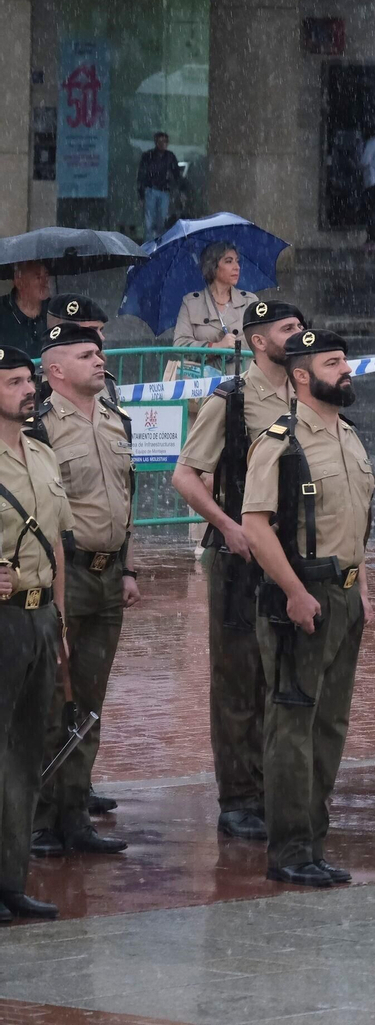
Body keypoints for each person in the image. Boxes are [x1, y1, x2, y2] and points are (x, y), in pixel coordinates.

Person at [241, 329, 373, 887]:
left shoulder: (350, 437)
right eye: (333, 362)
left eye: (345, 361)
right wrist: (295, 591)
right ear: (301, 375)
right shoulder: (281, 442)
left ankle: (313, 840)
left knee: (330, 724)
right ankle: (290, 850)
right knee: (292, 724)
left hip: (345, 596)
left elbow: (356, 525)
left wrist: (362, 587)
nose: (346, 370)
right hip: (301, 598)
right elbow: (255, 525)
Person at [170, 300, 305, 840]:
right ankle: (239, 798)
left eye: (300, 326)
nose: (299, 334)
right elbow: (186, 475)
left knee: (284, 673)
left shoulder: (306, 391)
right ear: (257, 341)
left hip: (292, 553)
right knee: (238, 680)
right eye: (287, 328)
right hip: (240, 560)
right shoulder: (232, 400)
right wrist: (228, 526)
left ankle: (277, 786)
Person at [27, 325, 138, 858]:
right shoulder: (38, 429)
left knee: (89, 701)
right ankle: (40, 819)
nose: (100, 360)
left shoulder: (117, 420)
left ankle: (75, 814)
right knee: (53, 696)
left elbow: (127, 496)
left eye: (99, 352)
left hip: (109, 574)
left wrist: (130, 567)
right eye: (86, 354)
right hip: (62, 574)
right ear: (55, 370)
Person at [0, 343, 67, 924]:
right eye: (14, 382)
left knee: (25, 755)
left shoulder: (41, 453)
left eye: (29, 379)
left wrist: (60, 619)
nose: (28, 390)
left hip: (39, 617)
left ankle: (10, 880)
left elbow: (58, 542)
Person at [171, 243, 260, 350]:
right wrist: (216, 346)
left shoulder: (250, 301)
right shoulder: (191, 303)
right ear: (213, 266)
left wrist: (236, 345)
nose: (237, 267)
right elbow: (180, 344)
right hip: (205, 366)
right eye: (228, 261)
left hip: (240, 366)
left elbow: (261, 341)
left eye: (237, 261)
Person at [0, 261, 50, 359]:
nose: (45, 281)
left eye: (46, 275)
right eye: (38, 277)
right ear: (19, 282)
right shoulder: (2, 311)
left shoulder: (56, 309)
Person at [136, 131, 181, 241]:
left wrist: (180, 189)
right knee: (149, 224)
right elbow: (142, 175)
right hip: (151, 190)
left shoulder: (169, 157)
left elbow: (177, 174)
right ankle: (149, 247)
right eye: (161, 141)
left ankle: (159, 246)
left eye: (165, 141)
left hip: (163, 191)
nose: (163, 144)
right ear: (156, 142)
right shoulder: (148, 156)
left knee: (161, 222)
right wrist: (141, 193)